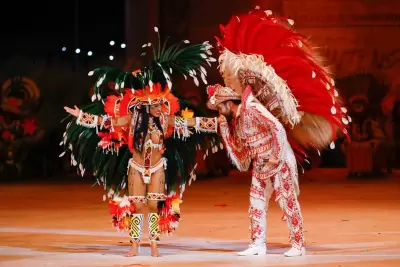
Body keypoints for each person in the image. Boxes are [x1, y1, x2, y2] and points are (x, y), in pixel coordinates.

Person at [62, 31, 219, 257]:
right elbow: (106, 122)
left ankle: (154, 245)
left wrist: (217, 123)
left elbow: (192, 122)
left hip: (158, 168)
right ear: (145, 106)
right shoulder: (131, 120)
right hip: (135, 167)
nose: (159, 108)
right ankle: (135, 246)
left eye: (160, 104)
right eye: (155, 105)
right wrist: (81, 116)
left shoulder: (166, 121)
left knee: (154, 207)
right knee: (136, 208)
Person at [209, 7, 350, 257]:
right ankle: (257, 244)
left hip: (278, 159)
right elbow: (240, 155)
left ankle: (298, 245)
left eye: (220, 107)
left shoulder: (252, 109)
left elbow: (276, 128)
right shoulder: (237, 121)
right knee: (256, 202)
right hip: (261, 162)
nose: (219, 111)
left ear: (230, 103)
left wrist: (275, 156)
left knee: (287, 201)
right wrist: (222, 129)